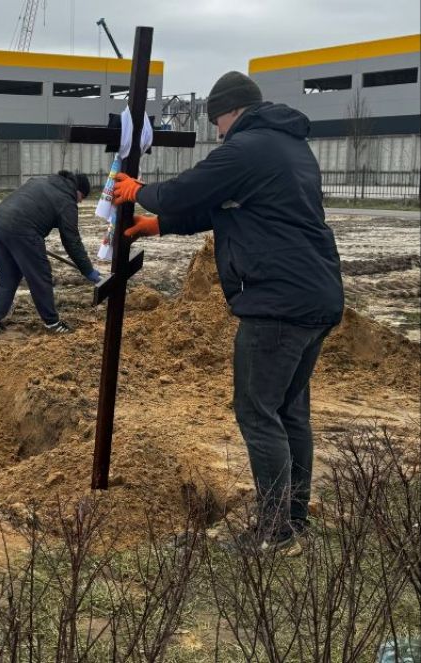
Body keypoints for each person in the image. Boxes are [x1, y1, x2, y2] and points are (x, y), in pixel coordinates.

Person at [112, 71, 344, 553]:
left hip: (277, 303)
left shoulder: (247, 148)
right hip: (315, 296)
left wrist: (140, 191)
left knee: (257, 412)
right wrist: (158, 226)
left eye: (216, 121)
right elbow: (220, 208)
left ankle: (276, 533)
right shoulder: (289, 147)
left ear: (231, 111)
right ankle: (293, 520)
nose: (216, 131)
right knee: (288, 410)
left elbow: (187, 191)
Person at [0, 170, 101, 336]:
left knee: (8, 277)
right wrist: (88, 270)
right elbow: (72, 241)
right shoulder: (67, 200)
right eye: (82, 198)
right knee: (40, 277)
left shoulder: (42, 181)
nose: (80, 202)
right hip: (22, 229)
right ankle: (52, 323)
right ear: (78, 191)